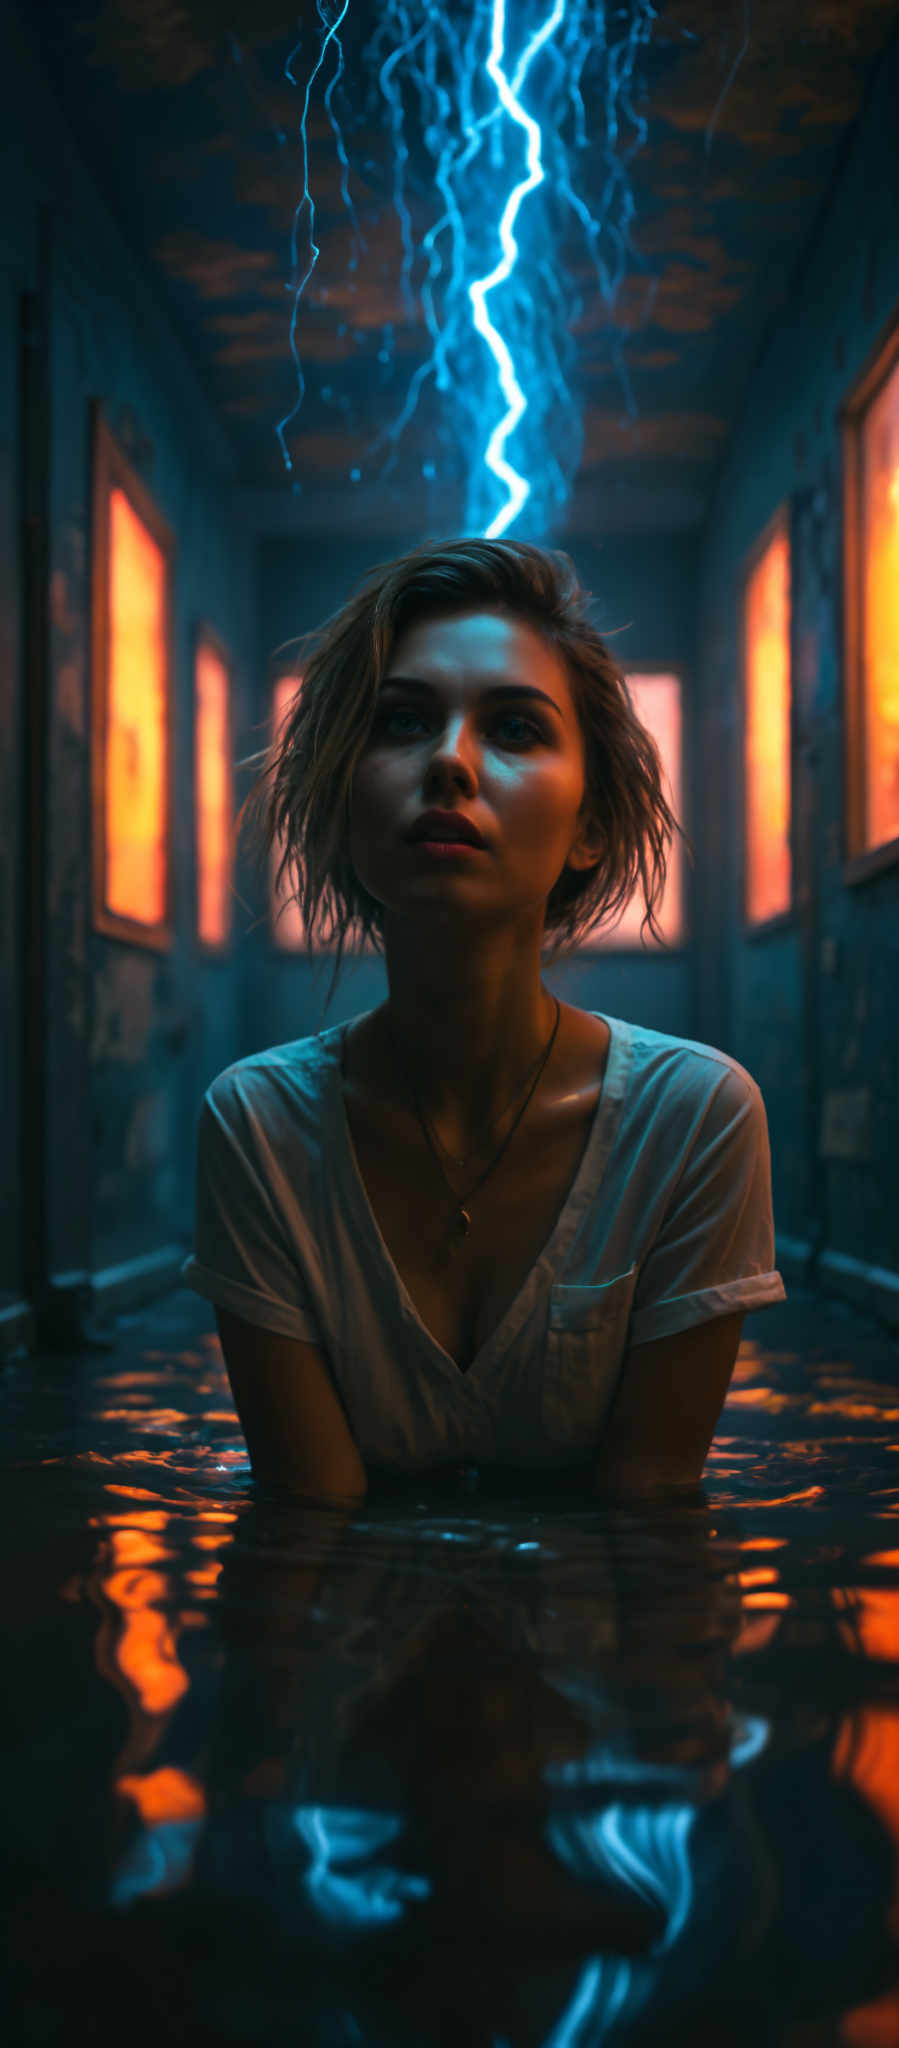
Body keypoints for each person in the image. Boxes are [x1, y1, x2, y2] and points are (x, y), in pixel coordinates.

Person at [181, 537, 786, 1501]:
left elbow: (652, 1522)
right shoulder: (258, 1126)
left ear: (592, 825)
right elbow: (306, 1527)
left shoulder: (694, 1119)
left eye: (513, 729)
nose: (451, 763)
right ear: (343, 798)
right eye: (403, 721)